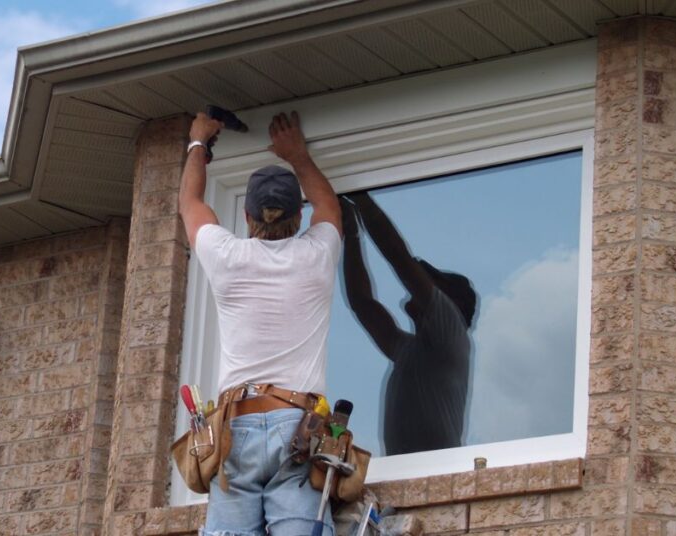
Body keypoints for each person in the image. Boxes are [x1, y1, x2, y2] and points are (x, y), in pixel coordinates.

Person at [179, 110, 343, 536]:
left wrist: (198, 142)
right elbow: (329, 205)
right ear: (297, 216)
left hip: (237, 428)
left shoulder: (227, 256)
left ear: (248, 217)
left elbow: (191, 205)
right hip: (298, 427)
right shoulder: (316, 256)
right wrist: (298, 156)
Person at [340, 193, 477, 456]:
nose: (421, 284)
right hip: (409, 472)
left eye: (431, 281)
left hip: (437, 474)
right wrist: (351, 232)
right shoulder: (413, 352)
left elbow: (399, 258)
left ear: (449, 301)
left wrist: (360, 195)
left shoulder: (452, 329)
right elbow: (362, 302)